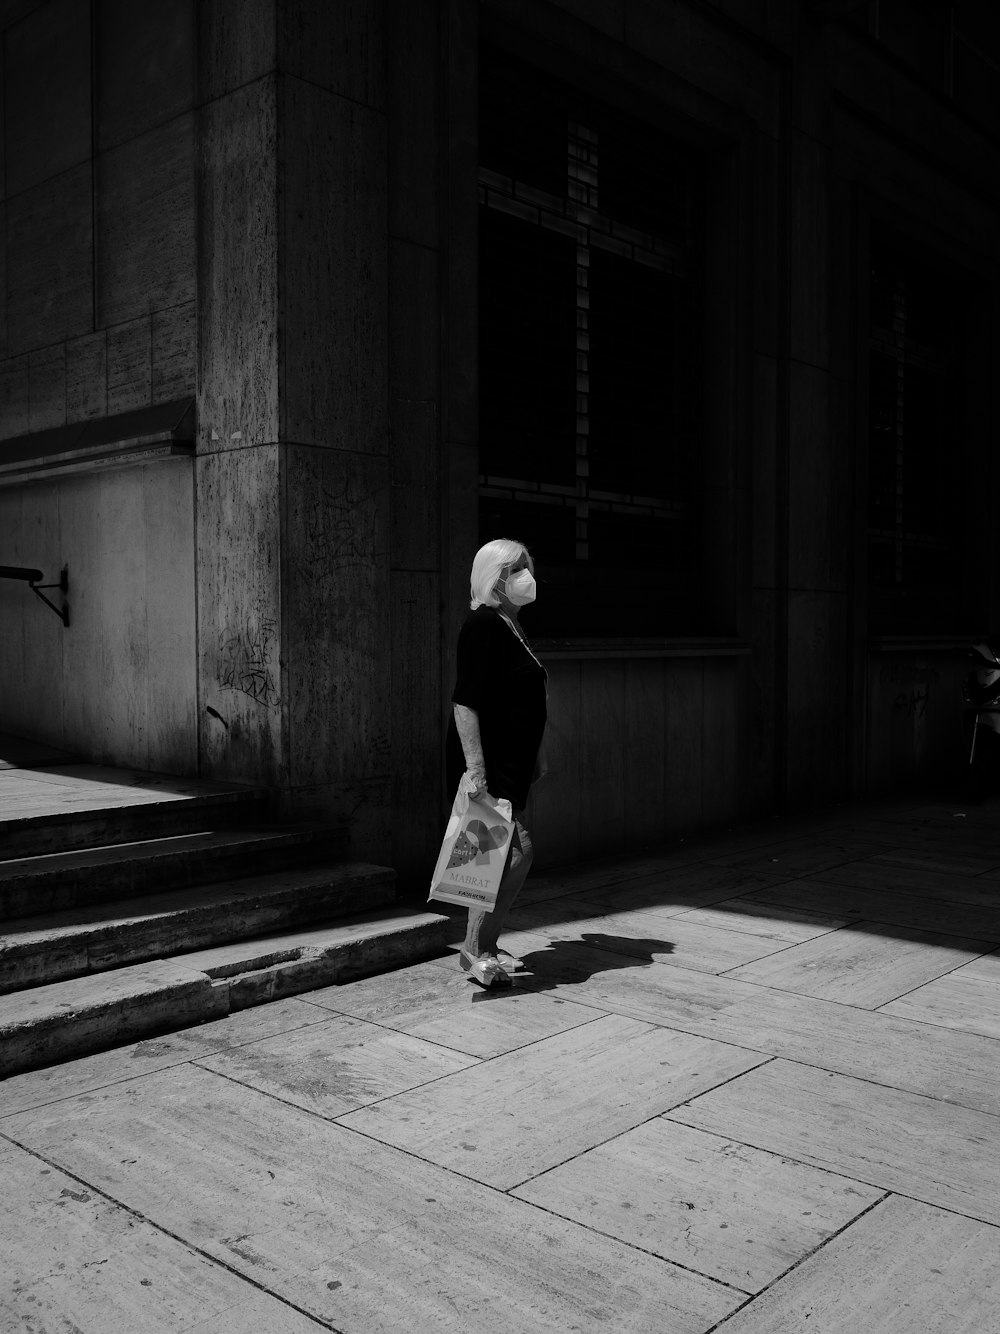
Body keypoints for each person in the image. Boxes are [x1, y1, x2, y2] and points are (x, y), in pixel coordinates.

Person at [446, 538, 548, 988]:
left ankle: (480, 946)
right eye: (517, 568)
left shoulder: (511, 625)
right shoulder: (483, 625)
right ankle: (475, 948)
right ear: (495, 579)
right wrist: (476, 770)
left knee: (492, 856)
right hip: (492, 761)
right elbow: (465, 702)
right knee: (513, 851)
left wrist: (538, 754)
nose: (527, 575)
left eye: (528, 566)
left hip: (515, 761)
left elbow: (528, 698)